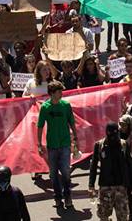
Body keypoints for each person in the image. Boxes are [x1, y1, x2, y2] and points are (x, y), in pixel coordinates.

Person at [36, 81, 79, 210]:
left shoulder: (66, 105)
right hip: (52, 145)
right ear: (52, 93)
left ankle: (68, 197)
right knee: (53, 174)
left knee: (66, 172)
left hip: (65, 144)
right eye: (59, 91)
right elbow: (40, 126)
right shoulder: (45, 107)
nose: (61, 93)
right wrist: (39, 144)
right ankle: (58, 198)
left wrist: (75, 137)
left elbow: (71, 121)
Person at [88, 122, 130, 221]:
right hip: (105, 186)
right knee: (103, 216)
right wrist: (91, 185)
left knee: (123, 217)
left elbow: (130, 165)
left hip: (121, 187)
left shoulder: (124, 144)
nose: (113, 137)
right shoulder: (99, 145)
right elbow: (93, 166)